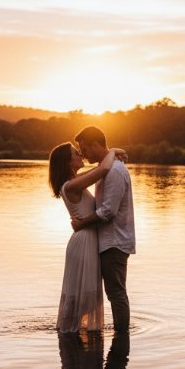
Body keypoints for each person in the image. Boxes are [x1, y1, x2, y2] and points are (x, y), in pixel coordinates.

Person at [48, 142, 123, 333]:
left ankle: (72, 336)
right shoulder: (71, 185)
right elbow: (104, 168)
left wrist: (111, 153)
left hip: (87, 240)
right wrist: (113, 150)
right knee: (82, 296)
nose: (81, 154)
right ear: (68, 162)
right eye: (76, 153)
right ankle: (71, 337)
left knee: (86, 296)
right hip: (83, 242)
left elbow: (100, 168)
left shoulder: (75, 181)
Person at [71, 126, 136, 333]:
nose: (83, 154)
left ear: (96, 145)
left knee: (116, 293)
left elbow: (108, 211)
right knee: (112, 293)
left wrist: (82, 223)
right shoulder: (106, 169)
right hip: (107, 242)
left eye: (85, 149)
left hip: (115, 242)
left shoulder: (115, 171)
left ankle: (121, 337)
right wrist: (113, 151)